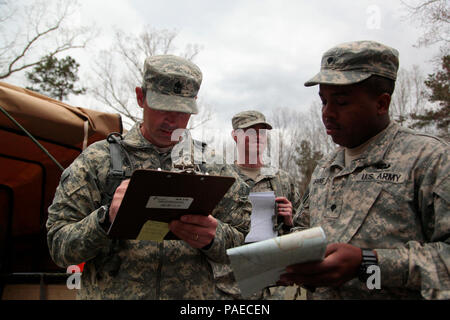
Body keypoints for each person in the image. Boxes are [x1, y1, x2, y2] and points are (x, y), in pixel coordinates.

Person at [46, 55, 251, 299]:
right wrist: (104, 220)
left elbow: (247, 247)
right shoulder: (97, 161)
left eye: (182, 110)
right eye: (162, 106)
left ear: (195, 103)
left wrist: (213, 238)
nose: (172, 120)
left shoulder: (214, 167)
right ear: (140, 97)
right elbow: (59, 247)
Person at [280, 40, 449, 299]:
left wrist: (368, 264)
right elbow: (305, 231)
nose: (327, 113)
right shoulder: (326, 167)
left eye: (341, 102)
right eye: (323, 101)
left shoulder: (430, 159)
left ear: (382, 103)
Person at [225, 110, 302, 299]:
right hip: (232, 284)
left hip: (276, 284)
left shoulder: (283, 179)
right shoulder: (223, 178)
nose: (257, 137)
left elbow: (305, 229)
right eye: (249, 132)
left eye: (262, 132)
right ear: (235, 136)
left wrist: (291, 220)